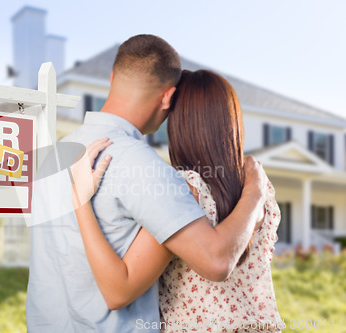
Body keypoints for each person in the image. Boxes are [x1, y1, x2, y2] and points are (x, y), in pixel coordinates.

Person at [26, 34, 267, 333]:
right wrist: (255, 192)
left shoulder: (54, 157)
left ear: (113, 77)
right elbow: (217, 261)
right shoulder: (142, 166)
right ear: (168, 97)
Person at [70, 70, 283, 332]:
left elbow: (118, 290)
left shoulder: (185, 188)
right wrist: (255, 193)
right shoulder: (260, 185)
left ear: (180, 124)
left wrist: (81, 201)